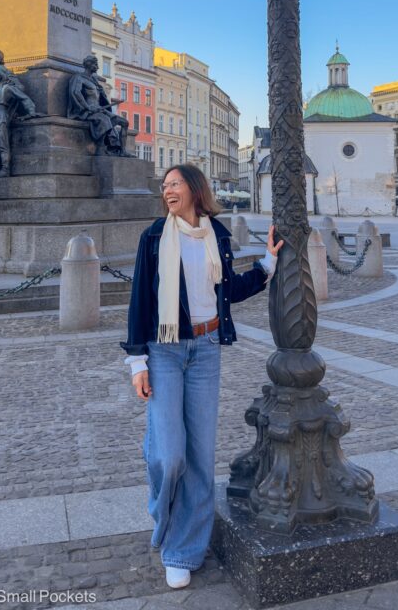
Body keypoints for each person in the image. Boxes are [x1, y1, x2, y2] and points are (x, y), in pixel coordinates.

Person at [121, 164, 283, 590]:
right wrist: (137, 361)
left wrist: (268, 264)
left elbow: (227, 290)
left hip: (207, 350)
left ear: (194, 189)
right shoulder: (155, 236)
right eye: (164, 186)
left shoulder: (218, 235)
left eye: (174, 183)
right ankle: (162, 484)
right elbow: (140, 298)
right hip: (165, 350)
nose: (166, 190)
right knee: (168, 455)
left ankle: (182, 549)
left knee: (199, 457)